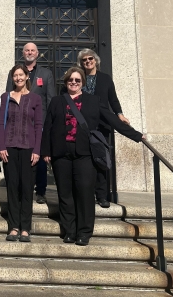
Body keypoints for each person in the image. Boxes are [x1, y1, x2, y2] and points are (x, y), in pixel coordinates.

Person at [41, 67, 143, 246]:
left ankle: (84, 232)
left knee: (85, 192)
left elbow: (112, 119)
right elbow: (48, 127)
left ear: (83, 83)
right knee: (65, 194)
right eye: (70, 80)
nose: (73, 83)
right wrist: (46, 151)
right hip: (61, 154)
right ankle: (70, 230)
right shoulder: (57, 101)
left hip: (85, 154)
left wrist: (136, 135)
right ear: (66, 82)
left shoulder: (93, 101)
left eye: (77, 80)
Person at [77, 48, 129, 208]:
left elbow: (113, 99)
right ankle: (85, 194)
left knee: (100, 160)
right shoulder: (78, 78)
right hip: (82, 125)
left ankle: (101, 195)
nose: (88, 62)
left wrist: (119, 114)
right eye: (84, 60)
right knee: (84, 161)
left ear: (96, 60)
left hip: (102, 125)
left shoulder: (105, 79)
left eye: (90, 59)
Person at [5, 42, 55, 204]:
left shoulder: (46, 74)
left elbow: (51, 99)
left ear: (37, 53)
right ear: (22, 52)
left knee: (38, 157)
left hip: (38, 123)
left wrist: (49, 123)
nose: (30, 52)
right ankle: (21, 189)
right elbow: (8, 95)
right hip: (18, 122)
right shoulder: (15, 73)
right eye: (27, 50)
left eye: (32, 50)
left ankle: (40, 191)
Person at [0, 64, 42, 243]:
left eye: (21, 75)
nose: (18, 78)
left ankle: (25, 228)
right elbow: (1, 124)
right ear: (12, 78)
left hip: (29, 149)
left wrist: (38, 150)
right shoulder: (6, 97)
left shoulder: (35, 99)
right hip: (9, 148)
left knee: (26, 189)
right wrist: (1, 147)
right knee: (12, 188)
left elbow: (39, 126)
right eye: (15, 75)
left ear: (27, 76)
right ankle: (13, 226)